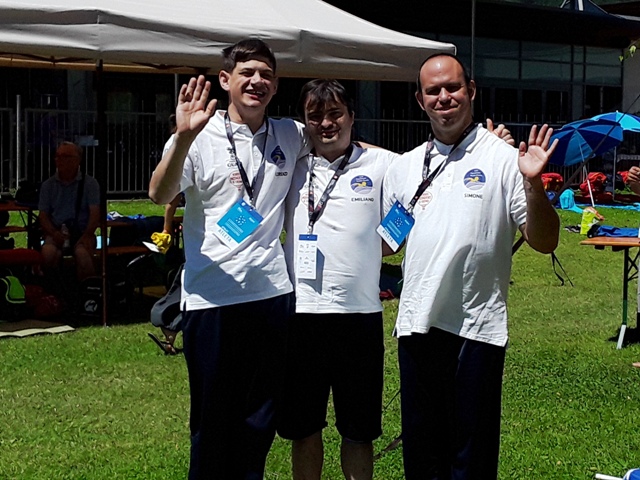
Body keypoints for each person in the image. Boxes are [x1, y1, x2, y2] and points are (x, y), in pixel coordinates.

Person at [381, 53, 560, 479]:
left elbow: (545, 240)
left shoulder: (504, 159)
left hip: (476, 329)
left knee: (471, 458)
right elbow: (388, 242)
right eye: (433, 91)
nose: (444, 97)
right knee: (422, 457)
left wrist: (534, 185)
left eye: (453, 87)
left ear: (471, 91)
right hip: (417, 326)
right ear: (420, 100)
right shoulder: (405, 167)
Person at [148, 38, 308, 479]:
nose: (257, 82)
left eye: (266, 75)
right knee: (213, 421)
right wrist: (183, 137)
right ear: (225, 80)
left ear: (276, 85)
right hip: (212, 299)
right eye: (247, 73)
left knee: (259, 420)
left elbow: (341, 142)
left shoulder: (291, 134)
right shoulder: (197, 136)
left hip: (271, 297)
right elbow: (160, 193)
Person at [278, 79, 397, 480]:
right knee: (303, 428)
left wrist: (385, 244)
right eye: (315, 116)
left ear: (351, 117)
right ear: (304, 121)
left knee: (358, 431)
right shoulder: (291, 165)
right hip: (301, 316)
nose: (326, 123)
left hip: (359, 317)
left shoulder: (381, 164)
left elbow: (414, 197)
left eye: (335, 114)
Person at [38, 141, 100, 282]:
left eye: (65, 156)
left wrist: (87, 235)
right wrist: (54, 233)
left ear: (78, 160)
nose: (59, 160)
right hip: (56, 232)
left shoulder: (90, 184)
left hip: (82, 232)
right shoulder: (48, 185)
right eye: (57, 156)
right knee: (48, 254)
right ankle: (52, 289)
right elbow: (43, 216)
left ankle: (87, 291)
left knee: (83, 257)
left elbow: (95, 214)